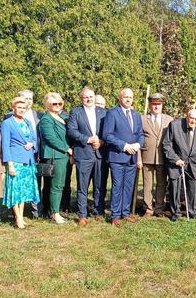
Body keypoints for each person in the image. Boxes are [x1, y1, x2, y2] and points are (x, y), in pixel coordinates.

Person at [103, 88, 144, 226]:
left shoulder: (136, 115)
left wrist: (138, 144)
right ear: (120, 98)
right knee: (117, 186)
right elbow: (107, 135)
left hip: (132, 157)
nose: (128, 99)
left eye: (130, 97)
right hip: (118, 156)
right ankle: (115, 215)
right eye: (125, 97)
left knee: (128, 186)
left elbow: (140, 134)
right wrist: (125, 146)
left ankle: (125, 213)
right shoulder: (112, 113)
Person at [67, 87, 108, 226]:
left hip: (100, 154)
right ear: (81, 98)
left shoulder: (103, 112)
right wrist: (88, 139)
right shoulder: (76, 112)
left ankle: (98, 210)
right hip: (83, 153)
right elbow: (72, 131)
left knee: (99, 185)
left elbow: (108, 131)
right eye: (86, 97)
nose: (89, 99)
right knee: (82, 186)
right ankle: (82, 215)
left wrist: (102, 141)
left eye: (91, 96)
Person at [1, 97, 40, 229]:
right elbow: (5, 145)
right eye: (19, 107)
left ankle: (21, 217)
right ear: (13, 108)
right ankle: (17, 218)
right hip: (15, 160)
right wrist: (9, 164)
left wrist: (32, 144)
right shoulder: (7, 123)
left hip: (28, 161)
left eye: (24, 108)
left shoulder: (28, 122)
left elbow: (35, 139)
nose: (22, 110)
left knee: (23, 191)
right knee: (15, 190)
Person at [162, 109, 196, 221]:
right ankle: (175, 213)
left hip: (193, 163)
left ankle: (193, 212)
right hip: (177, 162)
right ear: (187, 117)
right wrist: (175, 159)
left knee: (193, 188)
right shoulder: (175, 125)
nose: (193, 121)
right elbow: (166, 144)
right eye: (191, 118)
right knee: (175, 188)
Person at [38, 92, 73, 224]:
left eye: (60, 103)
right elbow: (51, 138)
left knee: (60, 184)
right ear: (47, 105)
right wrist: (67, 149)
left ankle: (54, 210)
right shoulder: (46, 119)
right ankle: (55, 213)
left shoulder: (63, 117)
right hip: (55, 155)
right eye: (54, 103)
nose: (58, 105)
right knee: (56, 186)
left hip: (62, 156)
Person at [139, 93, 173, 217]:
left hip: (163, 157)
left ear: (162, 105)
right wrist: (138, 158)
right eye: (154, 104)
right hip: (146, 156)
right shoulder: (142, 119)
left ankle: (159, 208)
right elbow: (137, 138)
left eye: (159, 104)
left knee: (161, 183)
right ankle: (148, 208)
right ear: (150, 105)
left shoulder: (169, 119)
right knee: (147, 184)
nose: (156, 107)